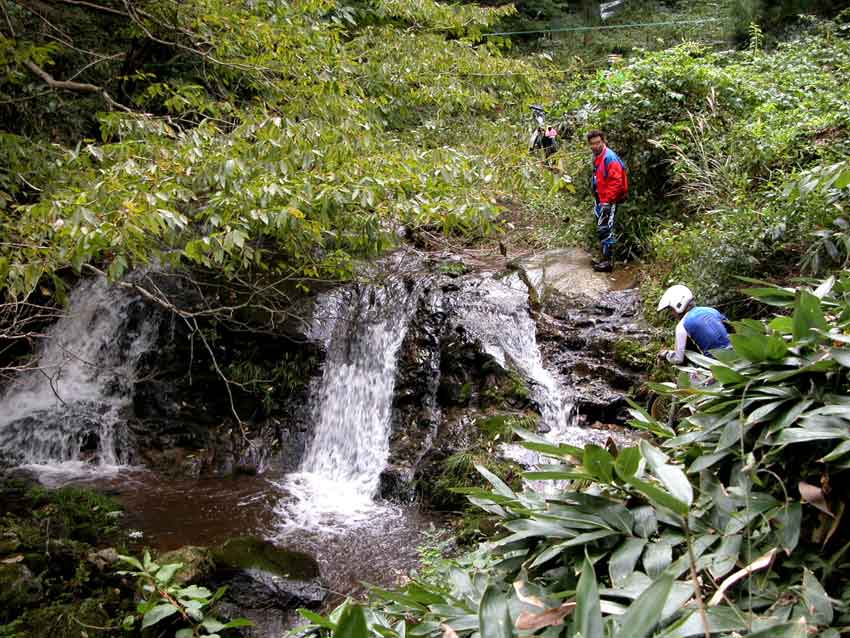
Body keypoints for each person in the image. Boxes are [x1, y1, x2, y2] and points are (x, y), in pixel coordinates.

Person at [657, 284, 731, 364]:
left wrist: (666, 354)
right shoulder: (711, 310)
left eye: (671, 310)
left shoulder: (682, 326)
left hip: (717, 365)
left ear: (678, 305)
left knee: (692, 371)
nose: (672, 313)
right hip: (737, 356)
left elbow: (678, 358)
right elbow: (732, 328)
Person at [587, 129, 628, 272]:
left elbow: (616, 182)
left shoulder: (609, 157)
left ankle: (608, 263)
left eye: (598, 143)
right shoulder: (598, 156)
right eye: (593, 144)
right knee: (602, 228)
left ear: (603, 141)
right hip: (601, 198)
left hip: (608, 200)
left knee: (606, 229)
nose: (595, 146)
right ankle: (604, 259)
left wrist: (607, 201)